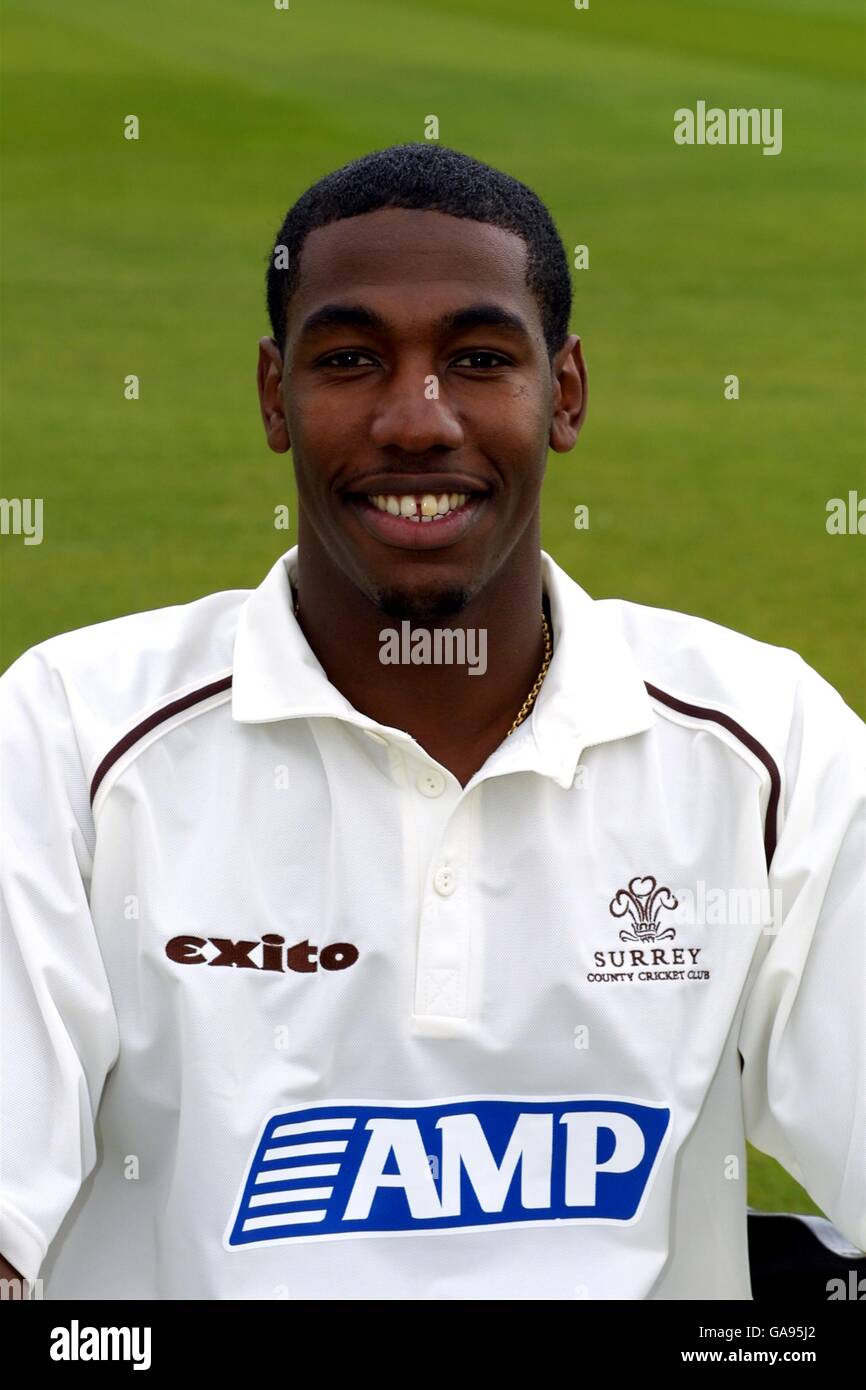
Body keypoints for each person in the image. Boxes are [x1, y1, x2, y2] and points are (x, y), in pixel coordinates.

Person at [1, 143, 863, 1300]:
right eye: (351, 360)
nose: (417, 420)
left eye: (478, 360)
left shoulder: (763, 746)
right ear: (273, 395)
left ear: (564, 393)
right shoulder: (70, 735)